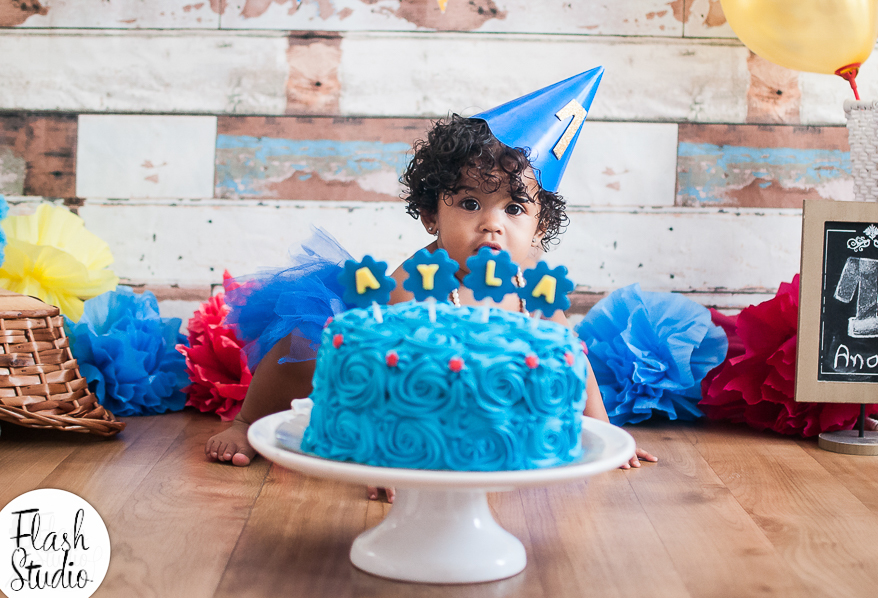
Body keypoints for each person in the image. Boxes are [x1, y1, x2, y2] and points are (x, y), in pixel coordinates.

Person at [205, 67, 657, 488]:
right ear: (429, 215)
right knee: (302, 348)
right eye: (470, 203)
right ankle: (247, 420)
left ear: (539, 229)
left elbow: (571, 356)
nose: (492, 224)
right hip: (380, 383)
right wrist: (388, 464)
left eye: (514, 209)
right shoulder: (416, 281)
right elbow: (392, 382)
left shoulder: (532, 287)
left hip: (465, 410)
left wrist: (602, 432)